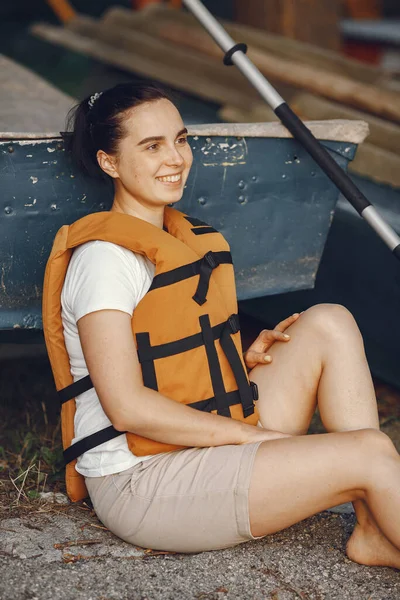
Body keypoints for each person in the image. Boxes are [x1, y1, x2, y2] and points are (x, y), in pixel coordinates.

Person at [43, 82, 400, 567]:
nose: (175, 159)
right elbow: (126, 408)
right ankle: (376, 491)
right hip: (144, 481)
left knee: (329, 322)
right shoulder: (105, 261)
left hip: (207, 437)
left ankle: (375, 527)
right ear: (109, 162)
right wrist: (254, 438)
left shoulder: (181, 237)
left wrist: (234, 363)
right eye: (151, 146)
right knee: (370, 452)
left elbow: (171, 346)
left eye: (181, 139)